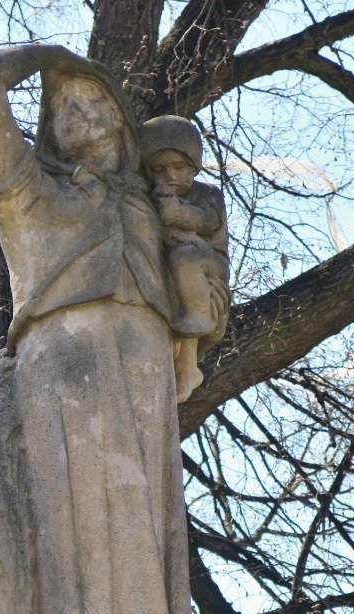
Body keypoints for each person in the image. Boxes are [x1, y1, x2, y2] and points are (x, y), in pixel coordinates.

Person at [0, 46, 196, 614]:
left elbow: (198, 297)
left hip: (143, 379)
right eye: (66, 109)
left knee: (145, 561)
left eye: (98, 104)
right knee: (83, 563)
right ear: (48, 131)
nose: (83, 117)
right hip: (64, 375)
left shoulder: (147, 205)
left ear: (125, 125)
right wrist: (48, 57)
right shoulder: (29, 193)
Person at [139, 115, 230, 403]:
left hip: (208, 262)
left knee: (184, 258)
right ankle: (186, 366)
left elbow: (209, 222)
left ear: (194, 166)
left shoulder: (208, 193)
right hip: (172, 263)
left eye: (179, 167)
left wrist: (175, 212)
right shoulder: (148, 196)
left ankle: (199, 315)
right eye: (160, 169)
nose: (171, 176)